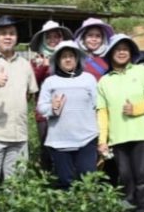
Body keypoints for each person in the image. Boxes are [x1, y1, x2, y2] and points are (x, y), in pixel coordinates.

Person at [97, 34, 144, 212]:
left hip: (143, 133)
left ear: (131, 52)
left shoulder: (142, 71)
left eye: (125, 49)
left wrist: (136, 109)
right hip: (118, 137)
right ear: (110, 53)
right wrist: (102, 140)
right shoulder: (104, 81)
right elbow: (102, 112)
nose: (121, 52)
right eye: (117, 49)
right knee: (126, 178)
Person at [0, 16, 38, 181]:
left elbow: (29, 94)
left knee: (15, 183)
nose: (8, 37)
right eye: (3, 33)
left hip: (19, 134)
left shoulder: (24, 64)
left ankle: (11, 201)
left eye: (12, 33)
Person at [36, 41, 98, 189]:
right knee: (65, 182)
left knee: (87, 180)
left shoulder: (88, 79)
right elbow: (41, 107)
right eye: (64, 57)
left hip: (87, 138)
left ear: (77, 59)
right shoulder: (50, 82)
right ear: (57, 60)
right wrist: (52, 108)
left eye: (71, 56)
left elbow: (98, 105)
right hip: (60, 140)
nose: (68, 59)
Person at [29, 20, 74, 171]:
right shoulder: (37, 60)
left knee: (67, 144)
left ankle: (66, 175)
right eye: (49, 37)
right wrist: (44, 67)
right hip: (45, 111)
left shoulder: (69, 58)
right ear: (43, 40)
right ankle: (47, 178)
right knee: (46, 145)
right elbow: (32, 82)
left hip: (68, 108)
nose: (53, 40)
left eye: (56, 36)